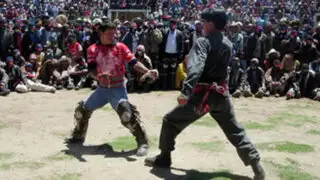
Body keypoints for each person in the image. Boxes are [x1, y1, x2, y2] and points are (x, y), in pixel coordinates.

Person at [144, 7, 265, 180]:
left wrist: (185, 92)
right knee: (235, 131)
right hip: (222, 94)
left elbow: (197, 67)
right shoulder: (228, 44)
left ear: (211, 23)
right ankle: (256, 166)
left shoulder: (203, 42)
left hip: (202, 96)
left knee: (170, 121)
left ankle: (164, 158)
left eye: (204, 22)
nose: (202, 25)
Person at [66, 22, 159, 157]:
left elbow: (133, 62)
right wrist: (98, 77)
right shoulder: (92, 49)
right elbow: (91, 69)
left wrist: (148, 71)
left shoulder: (120, 47)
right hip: (102, 89)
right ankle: (78, 134)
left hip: (118, 87)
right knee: (81, 110)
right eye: (109, 33)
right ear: (101, 33)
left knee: (126, 113)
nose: (112, 36)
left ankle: (142, 141)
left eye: (113, 33)